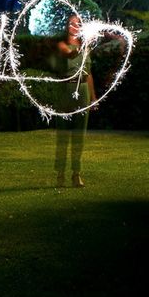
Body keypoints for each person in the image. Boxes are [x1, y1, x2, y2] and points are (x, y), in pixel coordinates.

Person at [54, 14, 97, 188]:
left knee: (80, 134)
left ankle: (76, 174)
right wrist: (86, 44)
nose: (74, 26)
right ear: (67, 26)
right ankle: (60, 174)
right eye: (71, 23)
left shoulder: (86, 48)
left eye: (78, 23)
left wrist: (93, 97)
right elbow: (70, 54)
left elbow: (88, 73)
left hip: (83, 90)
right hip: (66, 90)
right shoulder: (62, 45)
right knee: (63, 134)